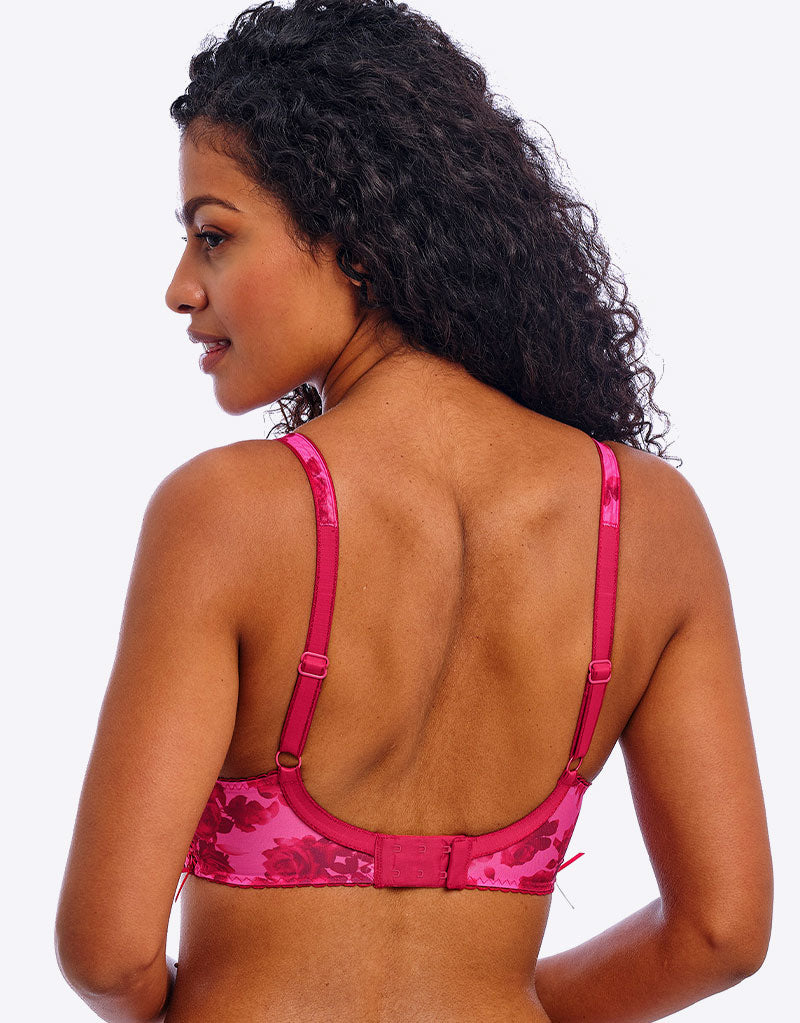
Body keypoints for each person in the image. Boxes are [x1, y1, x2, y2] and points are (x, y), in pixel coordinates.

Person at [54, 1, 772, 1020]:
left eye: (213, 237)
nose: (181, 289)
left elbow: (108, 955)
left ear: (355, 239)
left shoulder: (226, 513)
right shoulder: (650, 521)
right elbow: (720, 933)